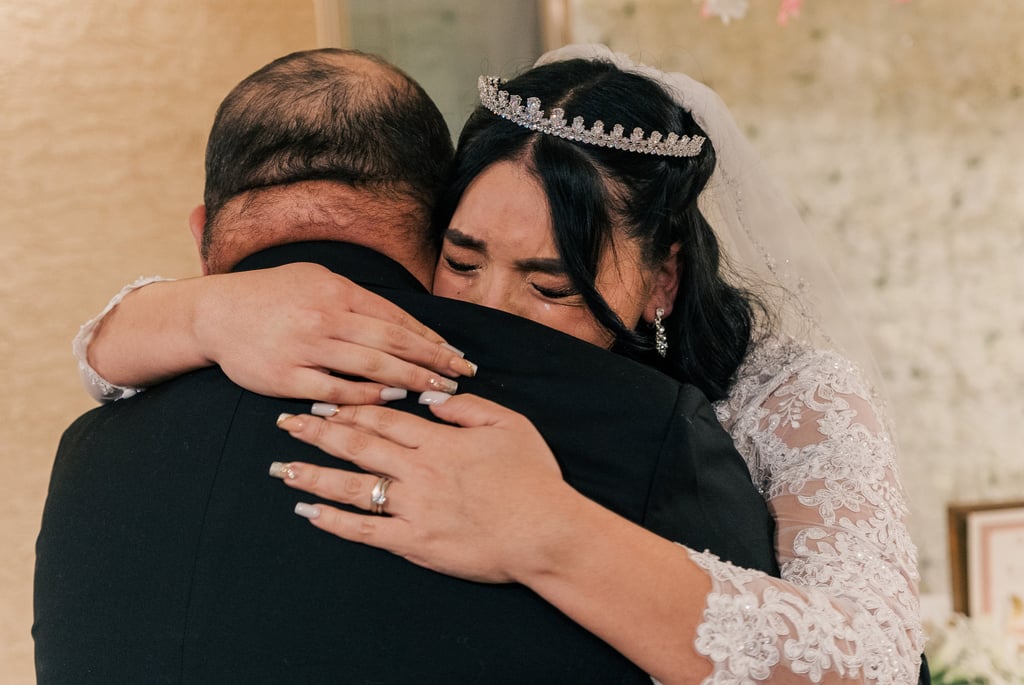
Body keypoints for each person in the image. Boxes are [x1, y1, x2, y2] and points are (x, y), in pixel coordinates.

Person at [67, 45, 924, 684]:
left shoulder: (791, 395)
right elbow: (104, 366)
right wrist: (201, 311)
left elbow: (878, 659)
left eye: (550, 285)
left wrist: (547, 531)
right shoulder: (409, 343)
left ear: (662, 278)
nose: (490, 312)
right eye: (462, 260)